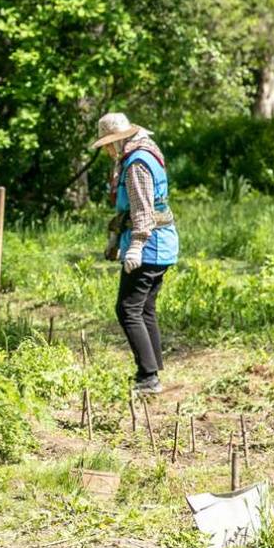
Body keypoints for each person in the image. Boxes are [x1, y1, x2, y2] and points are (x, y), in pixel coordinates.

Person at [93, 112, 179, 395]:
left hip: (150, 246)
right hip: (163, 244)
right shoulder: (144, 153)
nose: (107, 150)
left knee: (127, 309)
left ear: (119, 140)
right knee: (144, 308)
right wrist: (116, 239)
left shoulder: (136, 164)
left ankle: (148, 377)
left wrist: (136, 246)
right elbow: (128, 209)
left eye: (108, 144)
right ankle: (152, 370)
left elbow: (142, 209)